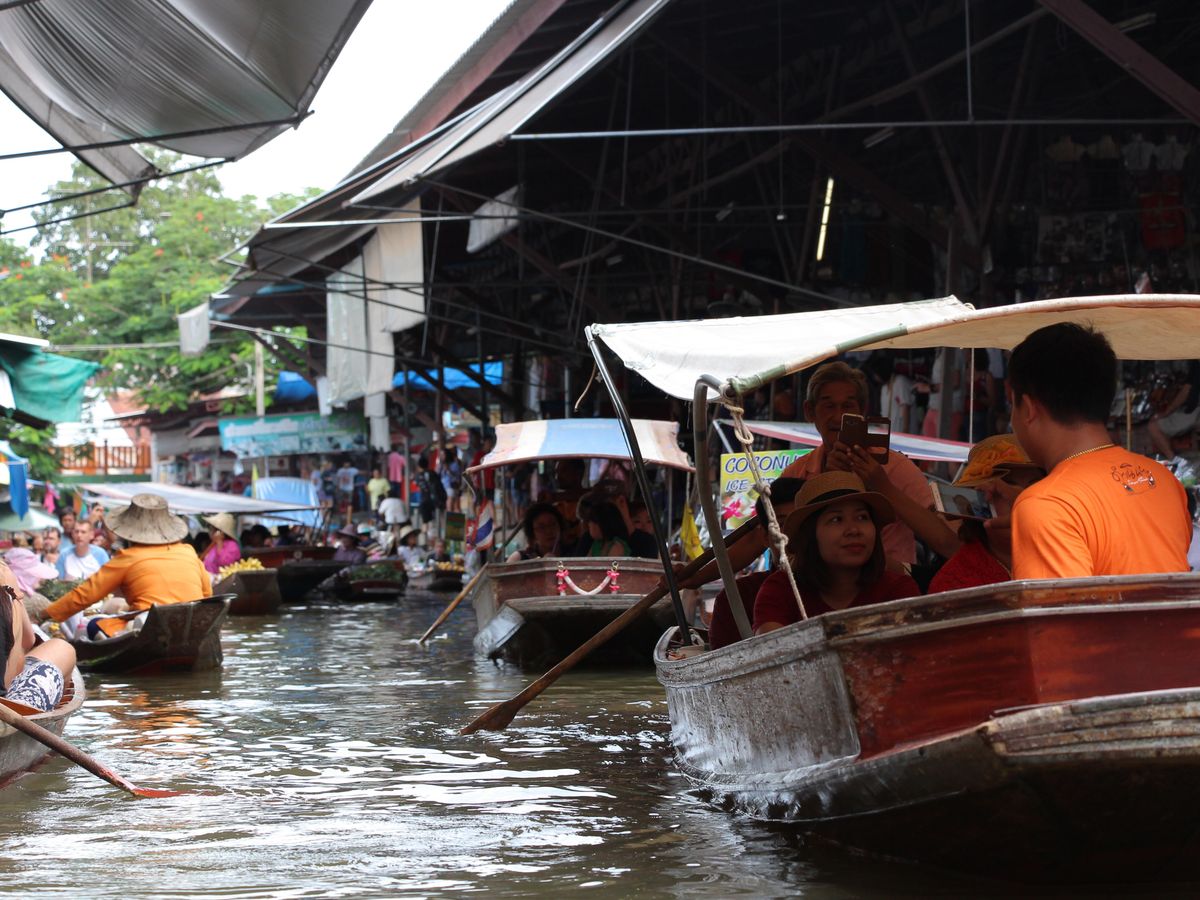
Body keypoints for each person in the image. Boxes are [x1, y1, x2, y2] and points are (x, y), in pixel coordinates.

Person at [1008, 322, 1190, 578]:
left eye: (1012, 405)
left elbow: (1062, 608)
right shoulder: (1163, 480)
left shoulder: (1046, 505)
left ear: (1028, 408)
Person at [779, 361, 931, 568]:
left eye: (848, 406)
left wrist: (884, 488)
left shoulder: (896, 467)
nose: (839, 416)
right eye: (829, 406)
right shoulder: (795, 473)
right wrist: (827, 481)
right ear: (809, 411)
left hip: (891, 583)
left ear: (862, 411)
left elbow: (942, 534)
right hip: (816, 584)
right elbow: (783, 547)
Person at [853, 434, 1045, 595]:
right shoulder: (954, 581)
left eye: (1036, 485)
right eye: (1006, 486)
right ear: (979, 501)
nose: (1023, 496)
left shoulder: (1059, 549)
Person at [753, 472, 921, 633]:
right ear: (810, 535)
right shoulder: (782, 590)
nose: (854, 530)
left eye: (862, 517)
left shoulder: (897, 589)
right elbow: (772, 647)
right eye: (836, 519)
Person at [42, 494, 213, 629]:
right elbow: (207, 594)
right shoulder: (188, 551)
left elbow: (85, 595)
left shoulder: (127, 557)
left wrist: (44, 615)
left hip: (149, 624)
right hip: (193, 622)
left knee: (93, 626)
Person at [707, 478, 804, 651]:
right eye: (782, 524)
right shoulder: (738, 599)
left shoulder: (843, 586)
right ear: (765, 537)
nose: (793, 533)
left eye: (801, 522)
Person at [0, 562, 76, 713]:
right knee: (62, 648)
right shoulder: (4, 576)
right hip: (9, 706)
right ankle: (51, 710)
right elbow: (28, 641)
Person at [1148, 359, 1200, 468]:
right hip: (1192, 410)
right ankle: (1177, 463)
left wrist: (1167, 411)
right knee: (1155, 426)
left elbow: (1186, 390)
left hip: (1194, 410)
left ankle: (1176, 463)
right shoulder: (1196, 362)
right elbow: (1186, 389)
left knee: (1154, 426)